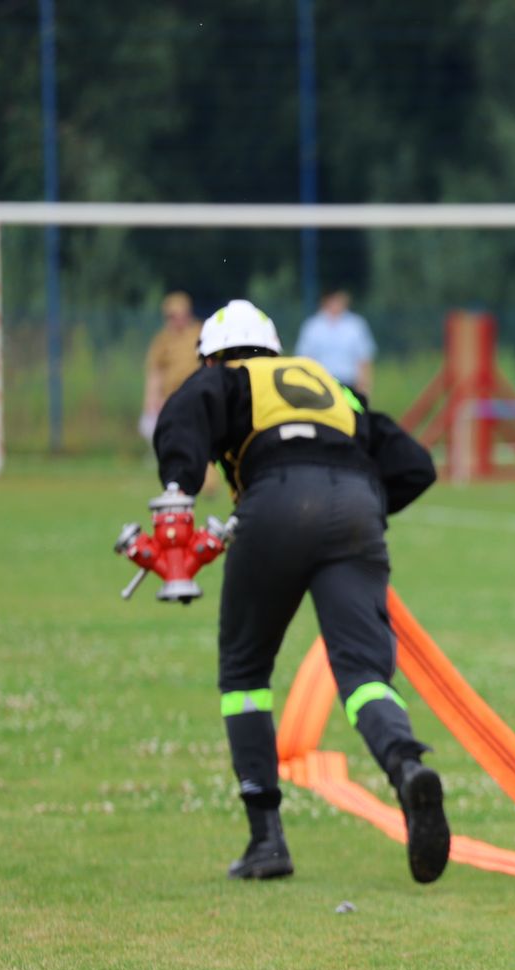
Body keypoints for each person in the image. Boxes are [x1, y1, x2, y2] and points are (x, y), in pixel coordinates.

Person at [153, 298, 449, 884]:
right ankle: (406, 765)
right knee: (365, 675)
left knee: (244, 677)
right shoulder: (328, 383)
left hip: (276, 501)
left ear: (214, 357)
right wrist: (357, 511)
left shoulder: (227, 378)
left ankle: (267, 840)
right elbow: (415, 465)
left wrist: (178, 493)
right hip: (358, 508)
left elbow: (187, 409)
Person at [139, 291, 201, 443]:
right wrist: (152, 399)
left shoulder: (200, 333)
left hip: (196, 394)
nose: (175, 319)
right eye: (171, 316)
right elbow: (155, 371)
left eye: (178, 314)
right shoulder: (163, 339)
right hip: (170, 397)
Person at [295, 288, 377, 399]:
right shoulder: (313, 326)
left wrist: (364, 389)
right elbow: (304, 359)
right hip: (321, 385)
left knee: (351, 414)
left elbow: (364, 360)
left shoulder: (356, 325)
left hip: (349, 385)